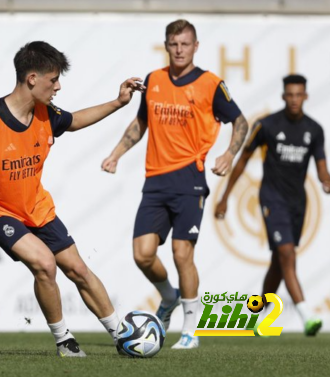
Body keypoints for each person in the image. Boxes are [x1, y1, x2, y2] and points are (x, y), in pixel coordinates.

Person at [0, 41, 143, 357]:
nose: (58, 86)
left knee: (78, 270)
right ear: (32, 78)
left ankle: (121, 337)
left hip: (35, 207)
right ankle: (65, 341)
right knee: (44, 264)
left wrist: (118, 102)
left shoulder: (44, 113)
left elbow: (74, 120)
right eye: (53, 79)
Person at [101, 19, 249, 349]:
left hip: (189, 180)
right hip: (155, 180)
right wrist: (115, 155)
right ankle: (168, 297)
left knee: (183, 254)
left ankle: (190, 330)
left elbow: (240, 122)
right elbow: (142, 123)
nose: (179, 49)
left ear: (196, 46)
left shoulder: (211, 84)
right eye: (173, 43)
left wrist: (229, 154)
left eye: (185, 43)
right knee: (142, 255)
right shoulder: (154, 80)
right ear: (166, 46)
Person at [215, 74, 330, 337]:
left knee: (279, 261)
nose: (294, 100)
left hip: (297, 203)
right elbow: (244, 160)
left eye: (298, 95)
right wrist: (224, 197)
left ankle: (258, 315)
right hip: (272, 198)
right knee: (287, 254)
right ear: (283, 96)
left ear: (305, 96)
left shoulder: (314, 130)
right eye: (289, 95)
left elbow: (322, 170)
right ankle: (306, 314)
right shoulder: (267, 125)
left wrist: (328, 183)